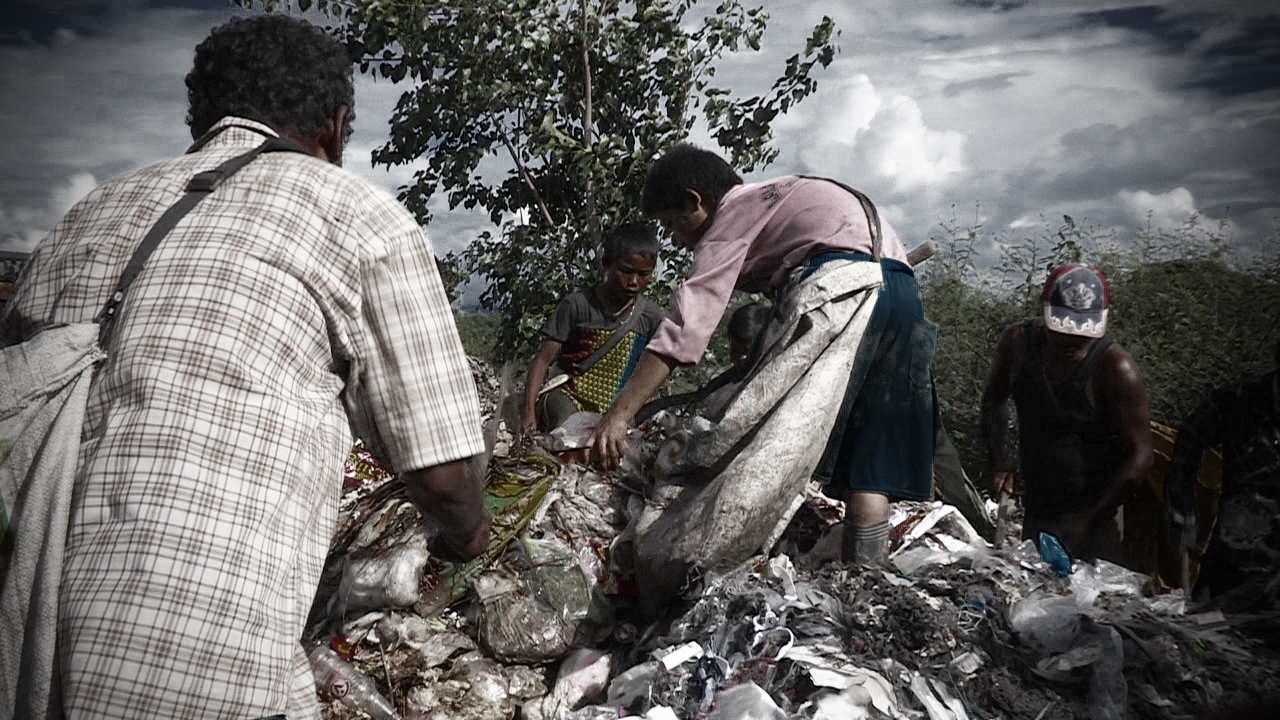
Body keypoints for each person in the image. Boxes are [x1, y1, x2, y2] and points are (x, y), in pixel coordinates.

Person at [0, 15, 489, 719]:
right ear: (335, 123)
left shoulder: (84, 215)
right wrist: (470, 536)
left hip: (22, 649)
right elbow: (442, 477)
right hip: (196, 668)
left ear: (201, 117)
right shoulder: (358, 216)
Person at [589, 143, 936, 567]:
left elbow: (686, 326)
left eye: (673, 224)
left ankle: (698, 560)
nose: (678, 241)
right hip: (900, 293)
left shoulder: (734, 216)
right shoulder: (782, 195)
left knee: (758, 438)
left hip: (840, 289)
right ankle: (866, 579)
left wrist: (620, 414)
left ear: (695, 202)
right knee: (869, 459)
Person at [981, 264, 1152, 563]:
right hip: (1039, 505)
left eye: (1079, 340)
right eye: (1060, 336)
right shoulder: (1017, 346)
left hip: (1096, 512)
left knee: (1093, 600)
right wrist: (1000, 461)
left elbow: (1141, 456)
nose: (1069, 345)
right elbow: (994, 400)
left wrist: (1088, 522)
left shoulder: (1115, 369)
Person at [1164, 340, 1280, 609]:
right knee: (1201, 633)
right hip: (1231, 559)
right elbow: (1190, 442)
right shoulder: (1240, 402)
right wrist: (1181, 516)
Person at [521, 222, 665, 433]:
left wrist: (641, 412)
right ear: (607, 264)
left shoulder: (650, 317)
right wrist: (528, 414)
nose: (634, 281)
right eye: (626, 271)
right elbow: (542, 360)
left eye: (644, 275)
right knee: (568, 435)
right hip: (569, 397)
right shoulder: (577, 305)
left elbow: (650, 373)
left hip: (617, 408)